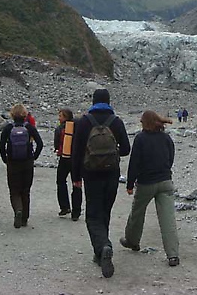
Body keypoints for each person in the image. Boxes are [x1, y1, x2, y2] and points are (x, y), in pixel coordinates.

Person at [72, 88, 130, 278]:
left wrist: (75, 176)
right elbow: (126, 149)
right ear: (109, 101)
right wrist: (112, 152)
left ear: (93, 101)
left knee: (93, 215)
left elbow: (77, 151)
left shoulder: (84, 122)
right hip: (112, 173)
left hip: (90, 174)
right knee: (105, 211)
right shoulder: (116, 121)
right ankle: (101, 251)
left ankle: (102, 247)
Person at [120, 110, 180, 267]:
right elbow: (171, 157)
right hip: (166, 181)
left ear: (145, 122)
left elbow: (134, 163)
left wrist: (130, 184)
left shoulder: (140, 138)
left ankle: (132, 241)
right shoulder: (166, 138)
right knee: (168, 219)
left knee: (137, 213)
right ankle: (173, 255)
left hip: (146, 183)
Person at [0, 104, 44, 229]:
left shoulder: (8, 127)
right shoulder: (29, 127)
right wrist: (34, 156)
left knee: (14, 190)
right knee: (26, 190)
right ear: (25, 114)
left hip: (13, 162)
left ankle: (18, 210)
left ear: (12, 115)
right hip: (27, 162)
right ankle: (24, 218)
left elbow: (1, 145)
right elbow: (40, 143)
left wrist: (5, 159)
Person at [54, 107, 82, 221]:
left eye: (60, 116)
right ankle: (76, 212)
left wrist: (58, 149)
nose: (58, 118)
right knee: (77, 183)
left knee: (61, 181)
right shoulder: (78, 127)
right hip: (76, 159)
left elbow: (56, 144)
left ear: (65, 117)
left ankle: (64, 207)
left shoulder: (60, 129)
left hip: (64, 158)